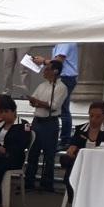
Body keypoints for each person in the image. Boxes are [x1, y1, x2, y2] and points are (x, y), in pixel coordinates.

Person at [23, 60, 67, 193]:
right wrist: (37, 102)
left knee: (49, 155)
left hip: (50, 122)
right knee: (33, 153)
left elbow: (54, 106)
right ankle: (29, 182)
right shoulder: (42, 85)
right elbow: (35, 101)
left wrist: (38, 102)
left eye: (47, 69)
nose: (44, 71)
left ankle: (47, 184)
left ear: (55, 71)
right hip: (38, 120)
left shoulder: (61, 87)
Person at [61, 100, 104, 204]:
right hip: (82, 162)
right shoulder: (80, 129)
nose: (93, 119)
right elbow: (73, 144)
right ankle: (75, 202)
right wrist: (72, 148)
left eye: (97, 117)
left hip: (102, 164)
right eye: (91, 116)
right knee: (70, 165)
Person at [0, 94, 31, 207]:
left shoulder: (24, 125)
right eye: (2, 112)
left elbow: (22, 144)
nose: (4, 115)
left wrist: (6, 150)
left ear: (13, 110)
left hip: (13, 157)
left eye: (6, 111)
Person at [34, 43, 78, 143]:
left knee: (63, 109)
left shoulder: (64, 42)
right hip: (66, 77)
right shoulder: (62, 43)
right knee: (62, 109)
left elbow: (58, 62)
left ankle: (65, 139)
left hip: (65, 77)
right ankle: (62, 137)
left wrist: (43, 61)